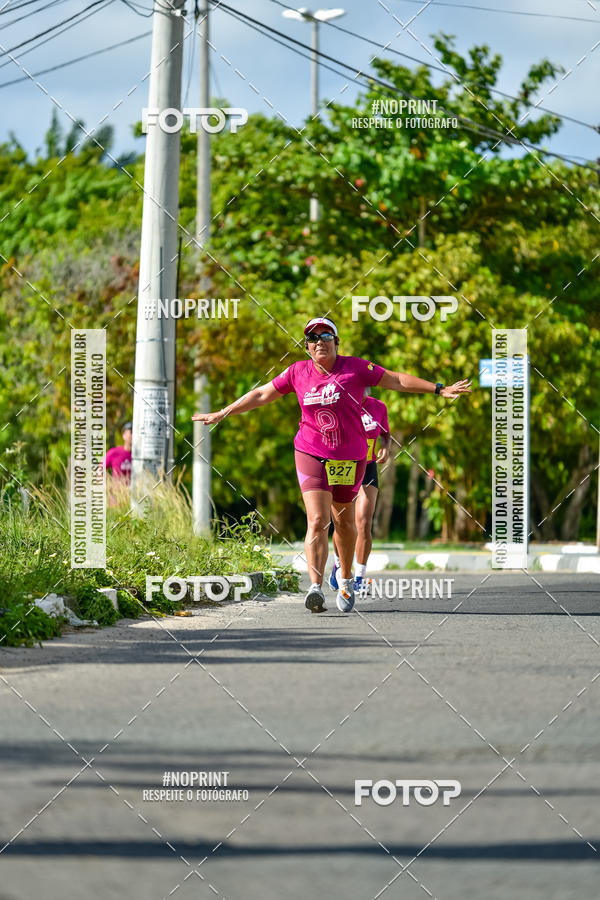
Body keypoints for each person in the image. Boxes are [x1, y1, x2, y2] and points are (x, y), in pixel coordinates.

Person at [192, 316, 471, 615]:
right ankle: (315, 588)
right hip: (310, 451)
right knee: (316, 520)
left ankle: (346, 578)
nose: (319, 342)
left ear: (337, 342)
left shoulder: (355, 368)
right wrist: (223, 412)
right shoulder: (297, 372)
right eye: (313, 338)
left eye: (326, 336)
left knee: (345, 522)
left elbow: (395, 380)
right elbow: (262, 394)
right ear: (307, 347)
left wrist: (438, 389)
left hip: (350, 457)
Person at [329, 388, 390, 595]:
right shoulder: (339, 402)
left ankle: (359, 578)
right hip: (344, 466)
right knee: (342, 522)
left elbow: (385, 434)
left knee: (363, 521)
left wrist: (385, 447)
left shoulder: (378, 407)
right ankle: (338, 565)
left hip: (368, 466)